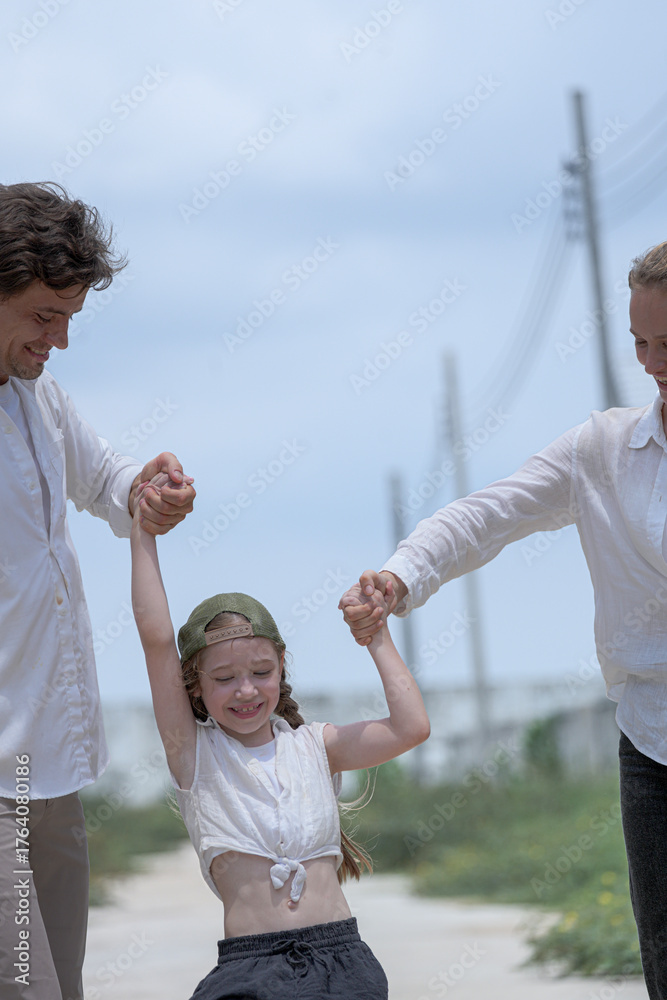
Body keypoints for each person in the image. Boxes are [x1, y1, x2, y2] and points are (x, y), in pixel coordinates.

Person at [339, 240, 667, 999]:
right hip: (652, 743)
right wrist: (399, 576)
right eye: (640, 343)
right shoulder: (604, 451)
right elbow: (490, 513)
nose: (652, 362)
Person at [0, 181, 196, 1000]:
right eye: (46, 315)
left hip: (53, 769)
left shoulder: (38, 398)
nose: (61, 339)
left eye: (72, 318)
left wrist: (145, 493)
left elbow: (105, 478)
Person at [130, 472, 430, 1000]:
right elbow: (157, 640)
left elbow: (411, 727)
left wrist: (376, 636)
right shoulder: (195, 754)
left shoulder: (316, 746)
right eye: (223, 679)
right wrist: (143, 533)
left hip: (345, 964)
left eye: (261, 672)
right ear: (195, 688)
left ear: (282, 665)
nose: (245, 690)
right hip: (251, 972)